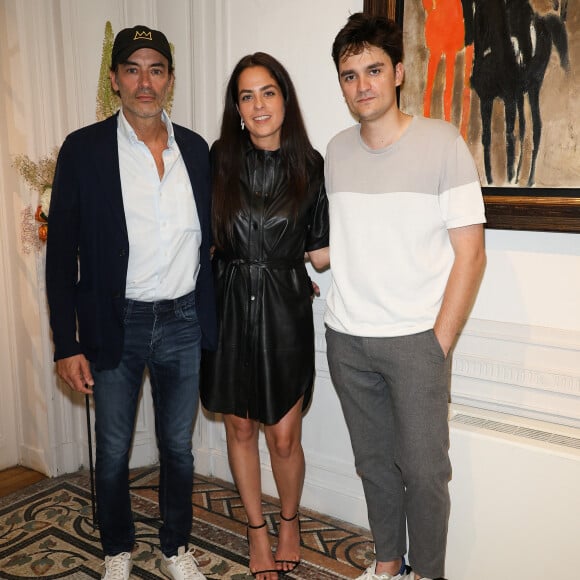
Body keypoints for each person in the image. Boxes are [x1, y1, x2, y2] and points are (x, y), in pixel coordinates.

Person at [46, 25, 216, 580]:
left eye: (157, 69)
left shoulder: (195, 149)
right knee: (114, 451)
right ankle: (117, 549)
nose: (146, 81)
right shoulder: (83, 149)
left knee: (179, 450)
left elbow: (212, 241)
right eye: (133, 69)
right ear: (115, 79)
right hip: (116, 322)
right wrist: (66, 343)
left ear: (169, 78)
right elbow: (61, 256)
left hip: (184, 320)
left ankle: (175, 549)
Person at [325, 13, 486, 580]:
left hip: (416, 341)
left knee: (423, 472)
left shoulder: (442, 142)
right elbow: (349, 239)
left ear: (398, 72)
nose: (362, 84)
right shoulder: (336, 151)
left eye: (372, 70)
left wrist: (436, 343)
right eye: (349, 75)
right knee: (373, 466)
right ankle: (388, 563)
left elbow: (471, 253)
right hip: (347, 340)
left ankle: (429, 573)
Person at [200, 52, 329, 580]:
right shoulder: (216, 160)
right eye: (247, 95)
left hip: (283, 309)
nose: (258, 105)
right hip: (228, 304)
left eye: (268, 92)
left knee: (282, 436)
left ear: (285, 98)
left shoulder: (312, 165)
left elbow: (319, 249)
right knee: (239, 425)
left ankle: (290, 520)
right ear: (236, 107)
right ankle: (256, 530)